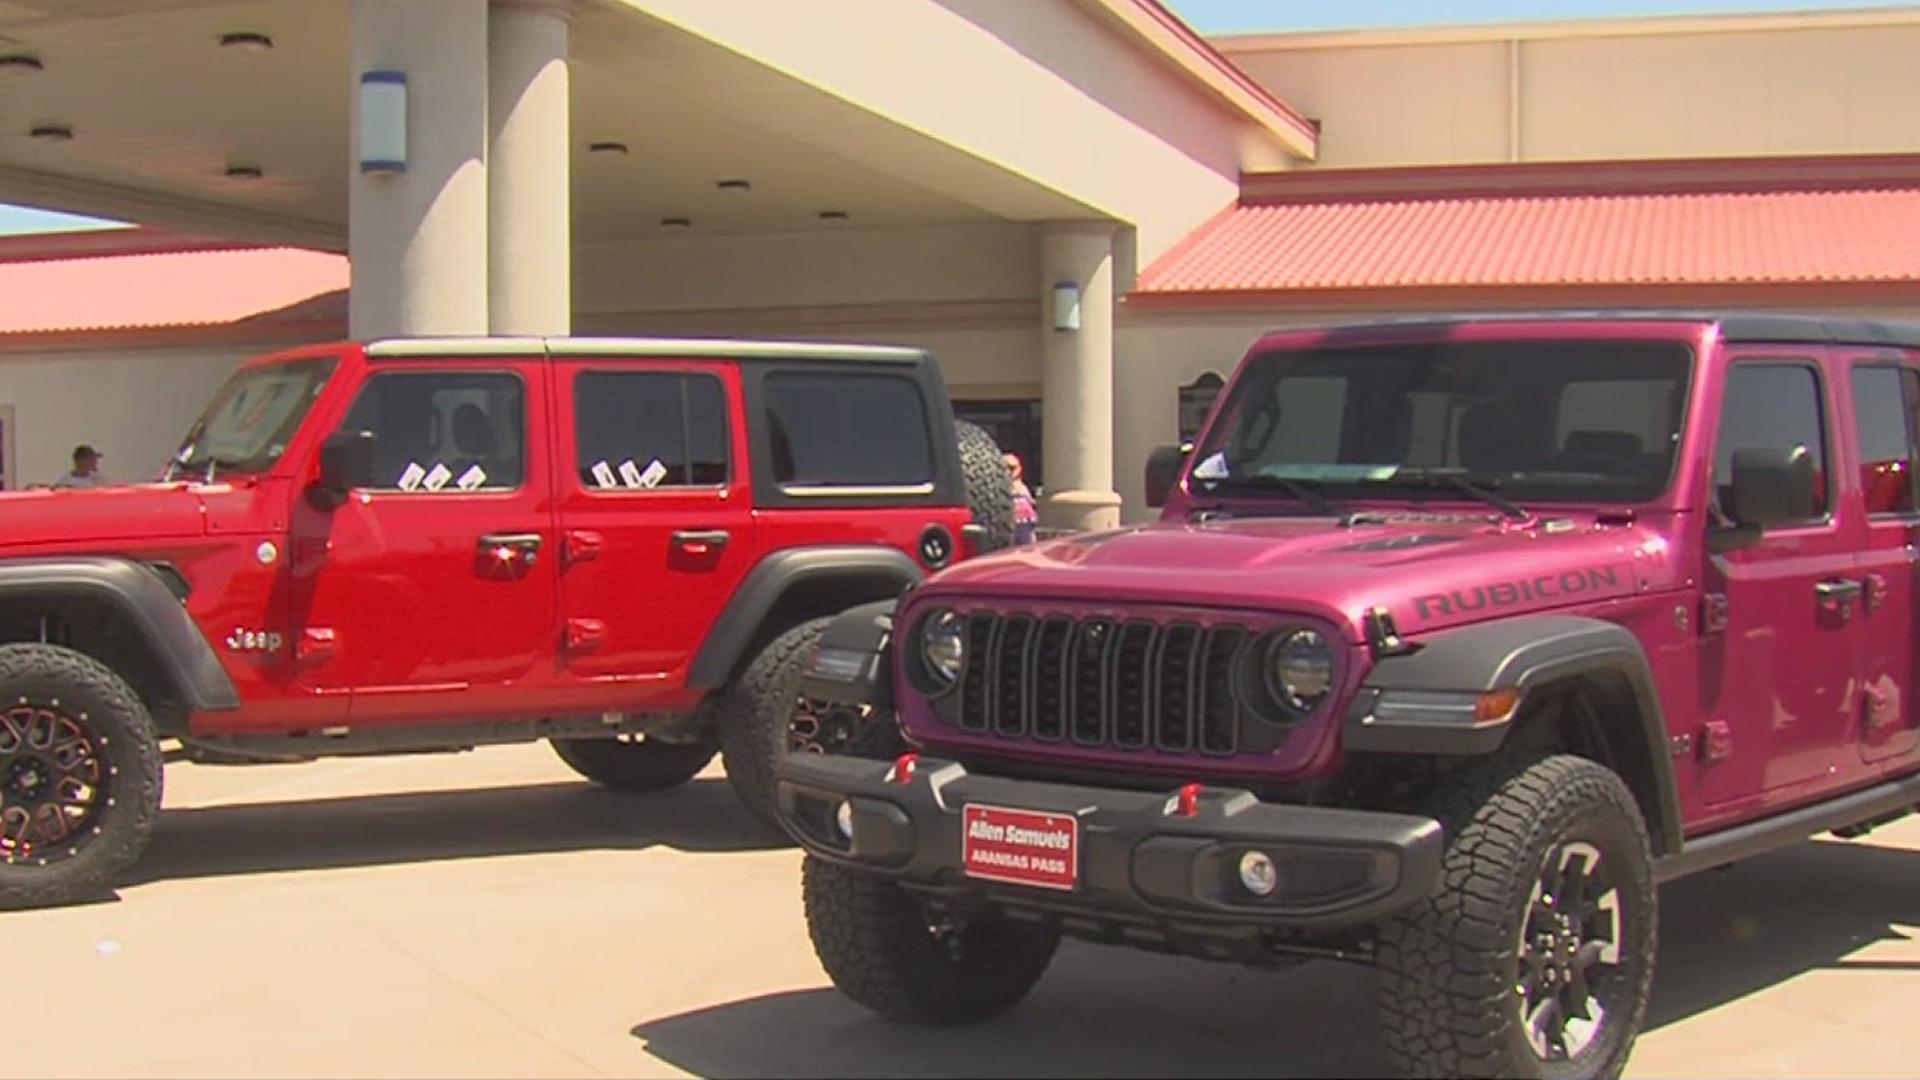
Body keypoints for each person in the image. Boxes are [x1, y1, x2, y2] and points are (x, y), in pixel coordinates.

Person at [1005, 451, 1038, 545]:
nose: (1008, 472)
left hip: (1026, 524)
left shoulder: (1022, 487)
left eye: (1011, 468)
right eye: (1005, 468)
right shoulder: (1002, 488)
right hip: (1012, 525)